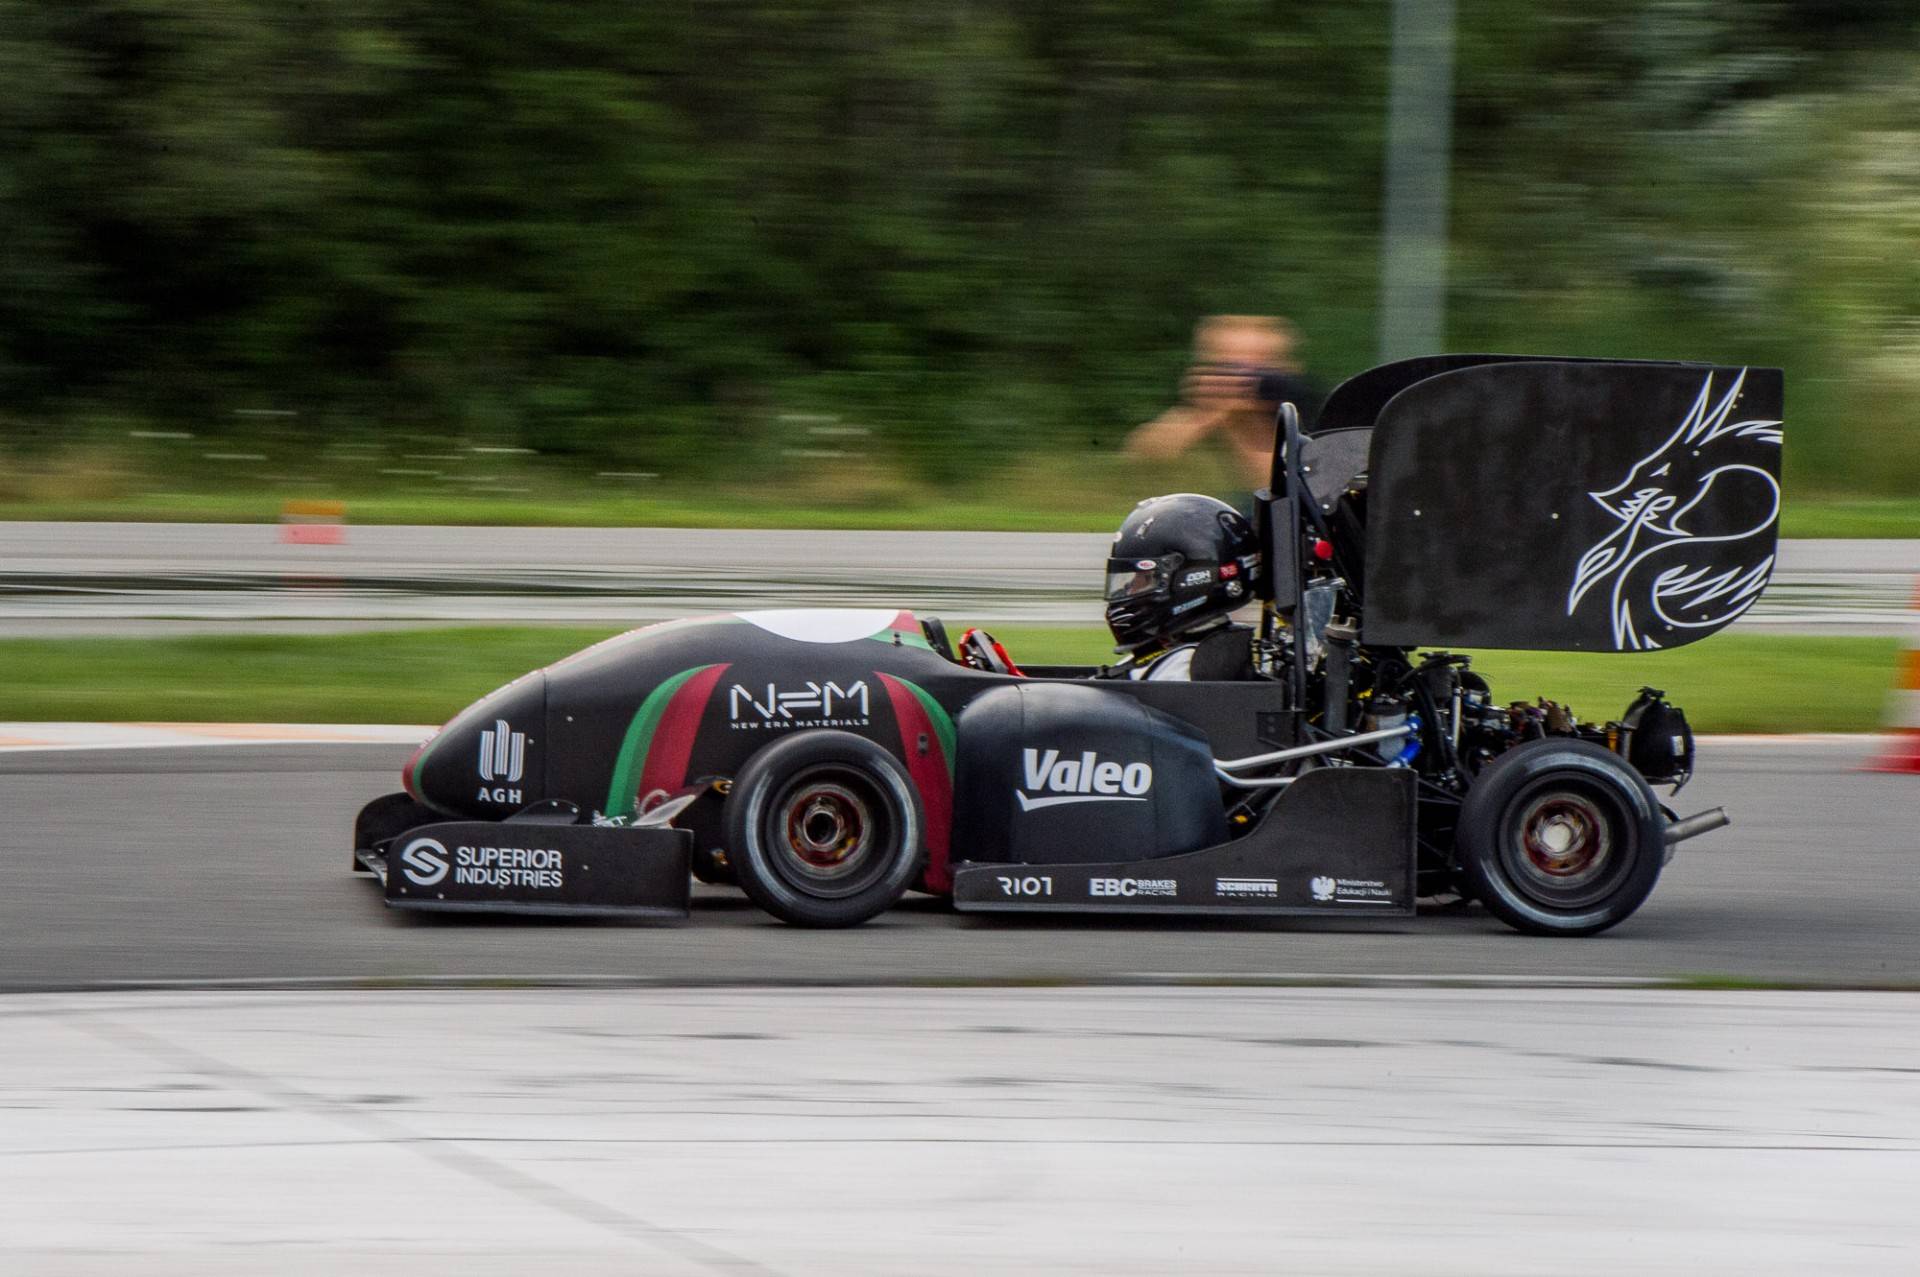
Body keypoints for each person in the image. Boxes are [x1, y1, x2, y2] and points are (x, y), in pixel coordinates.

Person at [1124, 314, 1320, 488]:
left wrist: (1224, 415)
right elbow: (1148, 449)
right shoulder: (1245, 399)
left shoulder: (1289, 396)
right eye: (1228, 361)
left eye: (1251, 361)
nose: (1243, 372)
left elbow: (1282, 485)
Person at [1102, 493, 1263, 681]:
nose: (1130, 590)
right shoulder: (1174, 655)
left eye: (1144, 579)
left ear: (1193, 579)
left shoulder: (1181, 668)